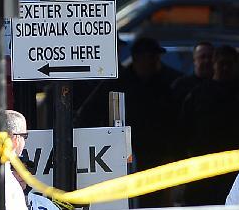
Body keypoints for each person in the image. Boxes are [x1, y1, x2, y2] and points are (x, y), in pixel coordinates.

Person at [77, 37, 181, 175]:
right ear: (137, 58)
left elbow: (174, 121)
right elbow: (88, 114)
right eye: (151, 57)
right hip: (122, 155)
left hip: (157, 155)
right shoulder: (117, 84)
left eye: (156, 57)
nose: (155, 62)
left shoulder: (165, 84)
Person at [179, 45, 239, 208]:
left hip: (235, 168)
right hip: (202, 168)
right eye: (221, 63)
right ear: (214, 63)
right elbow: (183, 131)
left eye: (229, 64)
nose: (224, 67)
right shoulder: (198, 94)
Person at [170, 41, 214, 113]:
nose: (207, 61)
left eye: (210, 57)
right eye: (202, 57)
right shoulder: (180, 85)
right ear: (194, 60)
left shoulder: (222, 85)